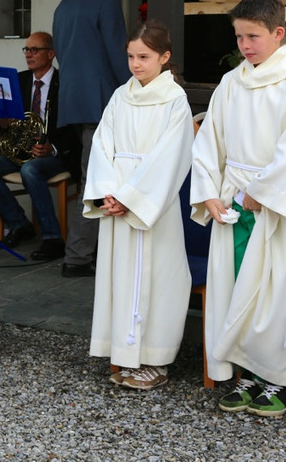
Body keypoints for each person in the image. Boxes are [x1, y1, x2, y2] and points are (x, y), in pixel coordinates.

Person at [190, 0, 286, 417]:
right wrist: (208, 190)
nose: (245, 45)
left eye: (253, 36)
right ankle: (247, 376)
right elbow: (210, 140)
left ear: (278, 33)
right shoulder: (232, 82)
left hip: (273, 205)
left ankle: (281, 381)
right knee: (235, 288)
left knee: (274, 294)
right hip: (233, 199)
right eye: (239, 36)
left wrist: (262, 192)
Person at [83, 21, 192, 390]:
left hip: (151, 205)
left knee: (158, 277)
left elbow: (170, 157)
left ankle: (156, 360)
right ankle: (124, 353)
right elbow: (102, 146)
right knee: (120, 275)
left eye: (144, 56)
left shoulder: (175, 100)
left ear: (164, 57)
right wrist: (107, 193)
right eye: (131, 56)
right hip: (117, 200)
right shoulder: (120, 96)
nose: (135, 64)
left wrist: (130, 198)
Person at [52, 0, 130, 277]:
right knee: (96, 179)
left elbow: (61, 54)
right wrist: (136, 89)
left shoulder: (63, 5)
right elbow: (118, 52)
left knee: (93, 176)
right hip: (103, 103)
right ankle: (78, 256)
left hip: (74, 102)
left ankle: (88, 251)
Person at [0, 31, 80, 262]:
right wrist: (4, 122)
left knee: (30, 170)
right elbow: (9, 119)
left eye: (35, 50)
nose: (28, 54)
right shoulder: (18, 81)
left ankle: (53, 238)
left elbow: (76, 128)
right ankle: (19, 224)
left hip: (56, 155)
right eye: (26, 49)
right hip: (22, 151)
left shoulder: (66, 83)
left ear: (51, 54)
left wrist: (52, 147)